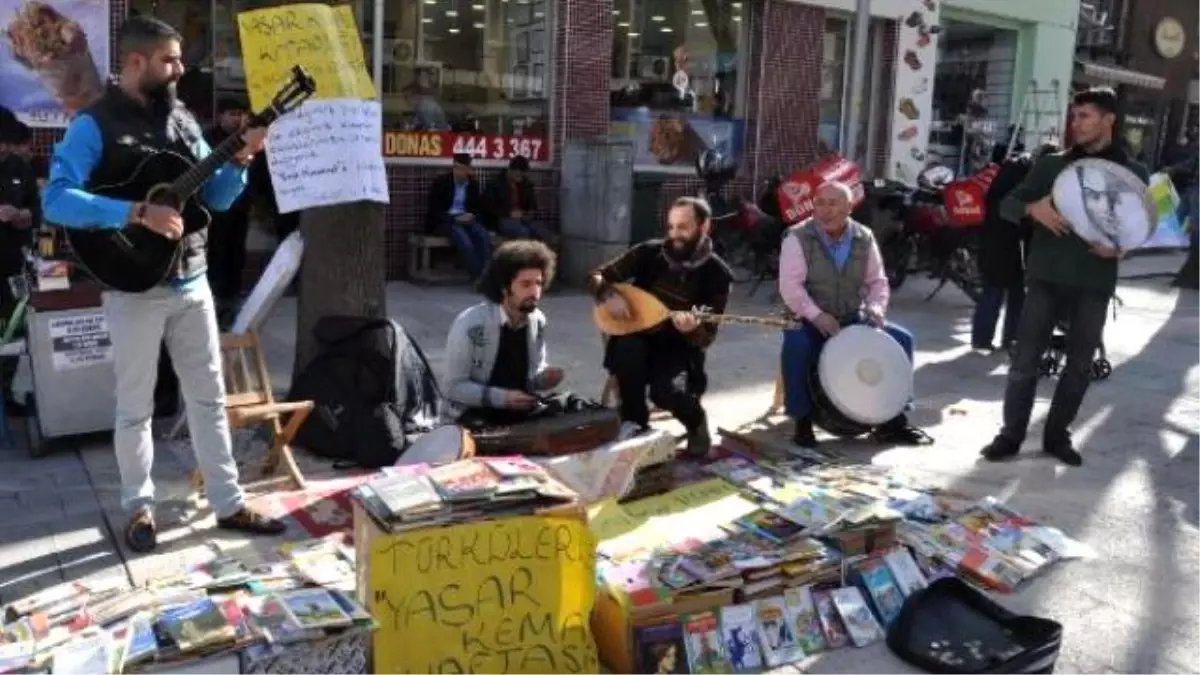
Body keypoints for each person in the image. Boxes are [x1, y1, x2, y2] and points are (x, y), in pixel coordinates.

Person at [41, 15, 285, 552]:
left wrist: (240, 160)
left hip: (191, 280)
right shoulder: (93, 125)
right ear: (135, 61)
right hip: (133, 287)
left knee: (208, 399)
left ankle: (228, 502)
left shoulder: (183, 120)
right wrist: (134, 212)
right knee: (135, 406)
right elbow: (56, 199)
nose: (179, 68)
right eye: (169, 60)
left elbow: (215, 198)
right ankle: (139, 508)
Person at [980, 87, 1145, 466]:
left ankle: (1057, 436)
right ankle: (1011, 435)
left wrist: (1120, 247)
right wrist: (1033, 208)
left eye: (1085, 116)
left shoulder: (1132, 173)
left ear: (1109, 120)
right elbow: (1006, 205)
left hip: (1094, 282)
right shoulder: (1052, 165)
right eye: (1074, 116)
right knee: (1025, 363)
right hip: (1046, 277)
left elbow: (1140, 227)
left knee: (1080, 366)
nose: (1076, 124)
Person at [778, 181, 927, 448]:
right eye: (820, 203)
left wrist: (875, 309)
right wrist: (817, 315)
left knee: (902, 340)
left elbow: (878, 282)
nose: (825, 210)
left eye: (833, 203)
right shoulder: (797, 237)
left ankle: (893, 418)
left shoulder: (864, 236)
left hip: (851, 315)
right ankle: (802, 419)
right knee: (797, 345)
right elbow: (790, 288)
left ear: (849, 206)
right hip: (807, 317)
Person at [589, 196, 732, 458]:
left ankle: (696, 422)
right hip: (637, 334)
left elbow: (705, 338)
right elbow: (597, 275)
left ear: (704, 227)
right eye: (671, 227)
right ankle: (636, 427)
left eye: (683, 227)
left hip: (679, 347)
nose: (675, 235)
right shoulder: (649, 252)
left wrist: (690, 329)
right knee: (628, 354)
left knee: (663, 391)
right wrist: (608, 295)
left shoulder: (717, 275)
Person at [441, 240, 564, 427]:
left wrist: (545, 378)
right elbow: (453, 387)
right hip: (475, 417)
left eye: (538, 283)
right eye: (525, 284)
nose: (535, 292)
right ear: (504, 287)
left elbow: (534, 374)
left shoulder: (536, 320)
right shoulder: (471, 324)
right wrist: (502, 398)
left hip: (521, 413)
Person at [971, 142, 1032, 351]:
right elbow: (1025, 225)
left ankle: (981, 339)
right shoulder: (1020, 194)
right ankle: (1011, 339)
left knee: (991, 293)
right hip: (1013, 251)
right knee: (1015, 296)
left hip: (991, 246)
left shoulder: (997, 189)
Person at [0, 116, 39, 415]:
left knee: (16, 329)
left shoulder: (20, 169)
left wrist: (25, 214)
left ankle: (12, 392)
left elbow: (38, 209)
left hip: (15, 262)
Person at [203, 98, 252, 323]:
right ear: (220, 116)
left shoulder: (247, 138)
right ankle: (214, 300)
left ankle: (231, 300)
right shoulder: (207, 139)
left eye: (240, 113)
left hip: (240, 209)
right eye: (232, 113)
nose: (237, 119)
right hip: (213, 212)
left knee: (235, 253)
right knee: (215, 253)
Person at [425, 153, 490, 280]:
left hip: (466, 219)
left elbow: (480, 208)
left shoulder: (472, 185)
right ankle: (478, 276)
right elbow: (434, 211)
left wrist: (472, 215)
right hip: (446, 221)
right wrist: (454, 219)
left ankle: (484, 275)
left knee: (482, 235)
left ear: (469, 170)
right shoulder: (442, 182)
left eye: (461, 168)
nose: (457, 171)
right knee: (464, 239)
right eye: (455, 167)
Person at [483, 155, 551, 241]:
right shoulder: (495, 183)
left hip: (522, 218)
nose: (520, 177)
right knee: (523, 232)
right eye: (518, 174)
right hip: (503, 218)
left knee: (543, 231)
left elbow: (532, 203)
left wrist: (530, 212)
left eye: (523, 175)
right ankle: (524, 253)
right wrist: (509, 213)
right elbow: (488, 207)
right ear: (510, 170)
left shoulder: (526, 184)